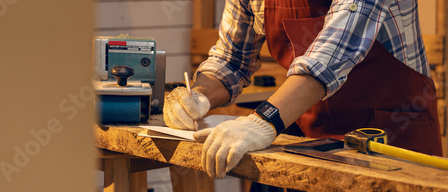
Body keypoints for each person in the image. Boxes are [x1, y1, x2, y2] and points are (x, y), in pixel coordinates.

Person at [163, 0, 443, 179]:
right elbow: (230, 60)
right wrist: (197, 95)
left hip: (394, 138)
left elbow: (329, 58)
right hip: (316, 145)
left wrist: (261, 122)